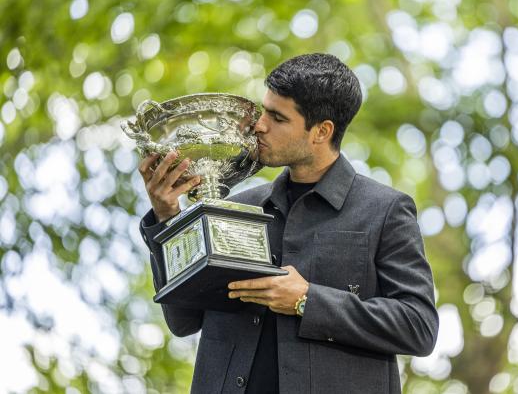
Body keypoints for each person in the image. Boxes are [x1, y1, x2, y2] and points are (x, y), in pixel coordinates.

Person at [138, 53, 438, 394]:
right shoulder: (235, 206)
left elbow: (419, 326)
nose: (259, 125)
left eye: (278, 117)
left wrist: (307, 299)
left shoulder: (385, 210)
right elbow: (183, 321)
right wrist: (166, 218)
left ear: (322, 131)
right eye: (263, 110)